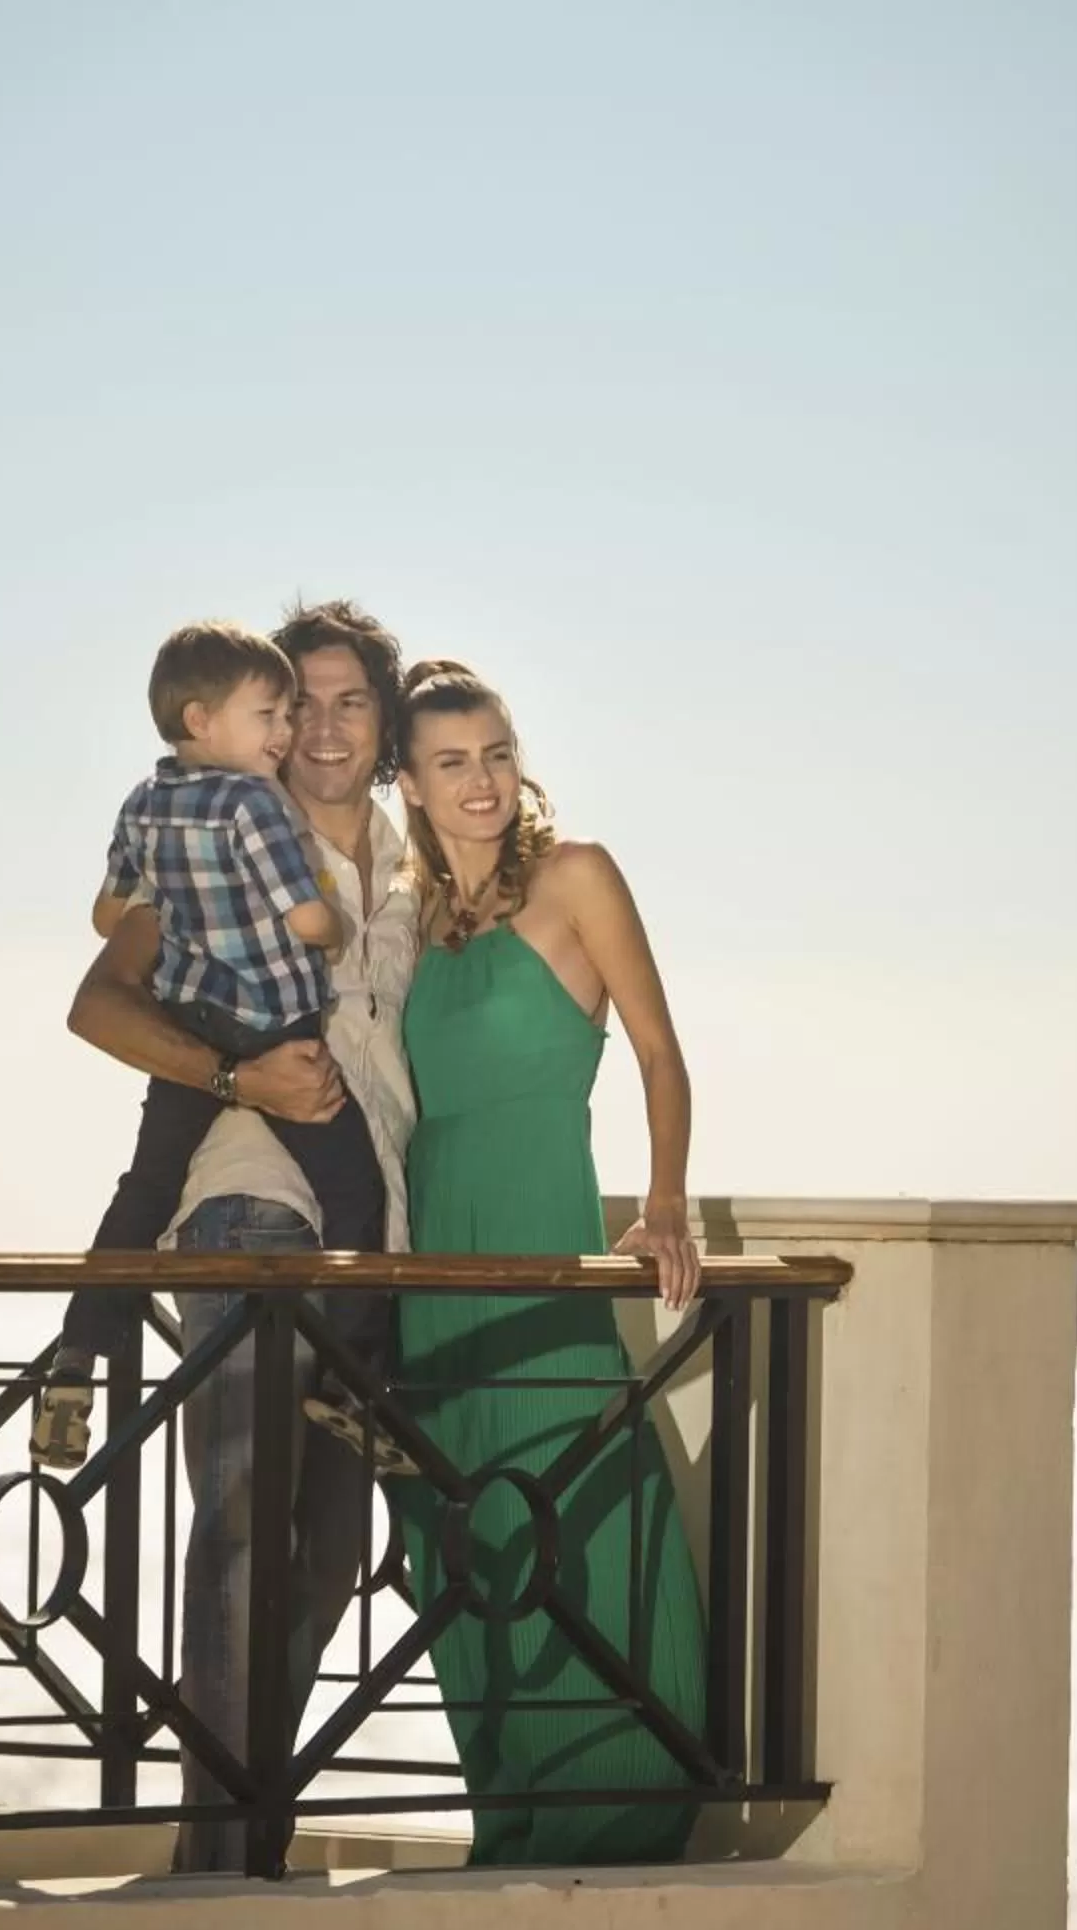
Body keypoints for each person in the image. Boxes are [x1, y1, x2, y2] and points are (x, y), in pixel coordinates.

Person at [60, 599, 421, 1873]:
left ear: (382, 725)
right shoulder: (219, 830)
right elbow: (100, 1000)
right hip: (253, 1193)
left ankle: (249, 1804)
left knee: (329, 1546)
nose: (319, 723)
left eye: (350, 701)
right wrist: (236, 1077)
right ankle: (214, 1852)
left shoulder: (413, 859)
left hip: (374, 1217)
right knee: (235, 1524)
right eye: (300, 698)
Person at [382, 656, 707, 1868]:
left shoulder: (578, 878)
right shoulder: (408, 916)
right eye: (453, 763)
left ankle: (620, 1790)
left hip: (541, 1234)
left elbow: (661, 1054)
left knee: (568, 1500)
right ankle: (506, 1802)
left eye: (498, 754)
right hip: (433, 1261)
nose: (483, 783)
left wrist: (665, 1202)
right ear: (409, 784)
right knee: (460, 1534)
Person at [40, 620, 389, 1467]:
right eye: (281, 710)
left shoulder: (144, 804)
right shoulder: (255, 806)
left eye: (348, 704)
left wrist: (180, 909)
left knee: (143, 1187)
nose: (296, 731)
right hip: (266, 1102)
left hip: (198, 1013)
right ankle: (351, 1384)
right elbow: (305, 921)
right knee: (357, 1196)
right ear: (205, 719)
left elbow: (105, 910)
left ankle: (75, 1360)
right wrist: (323, 925)